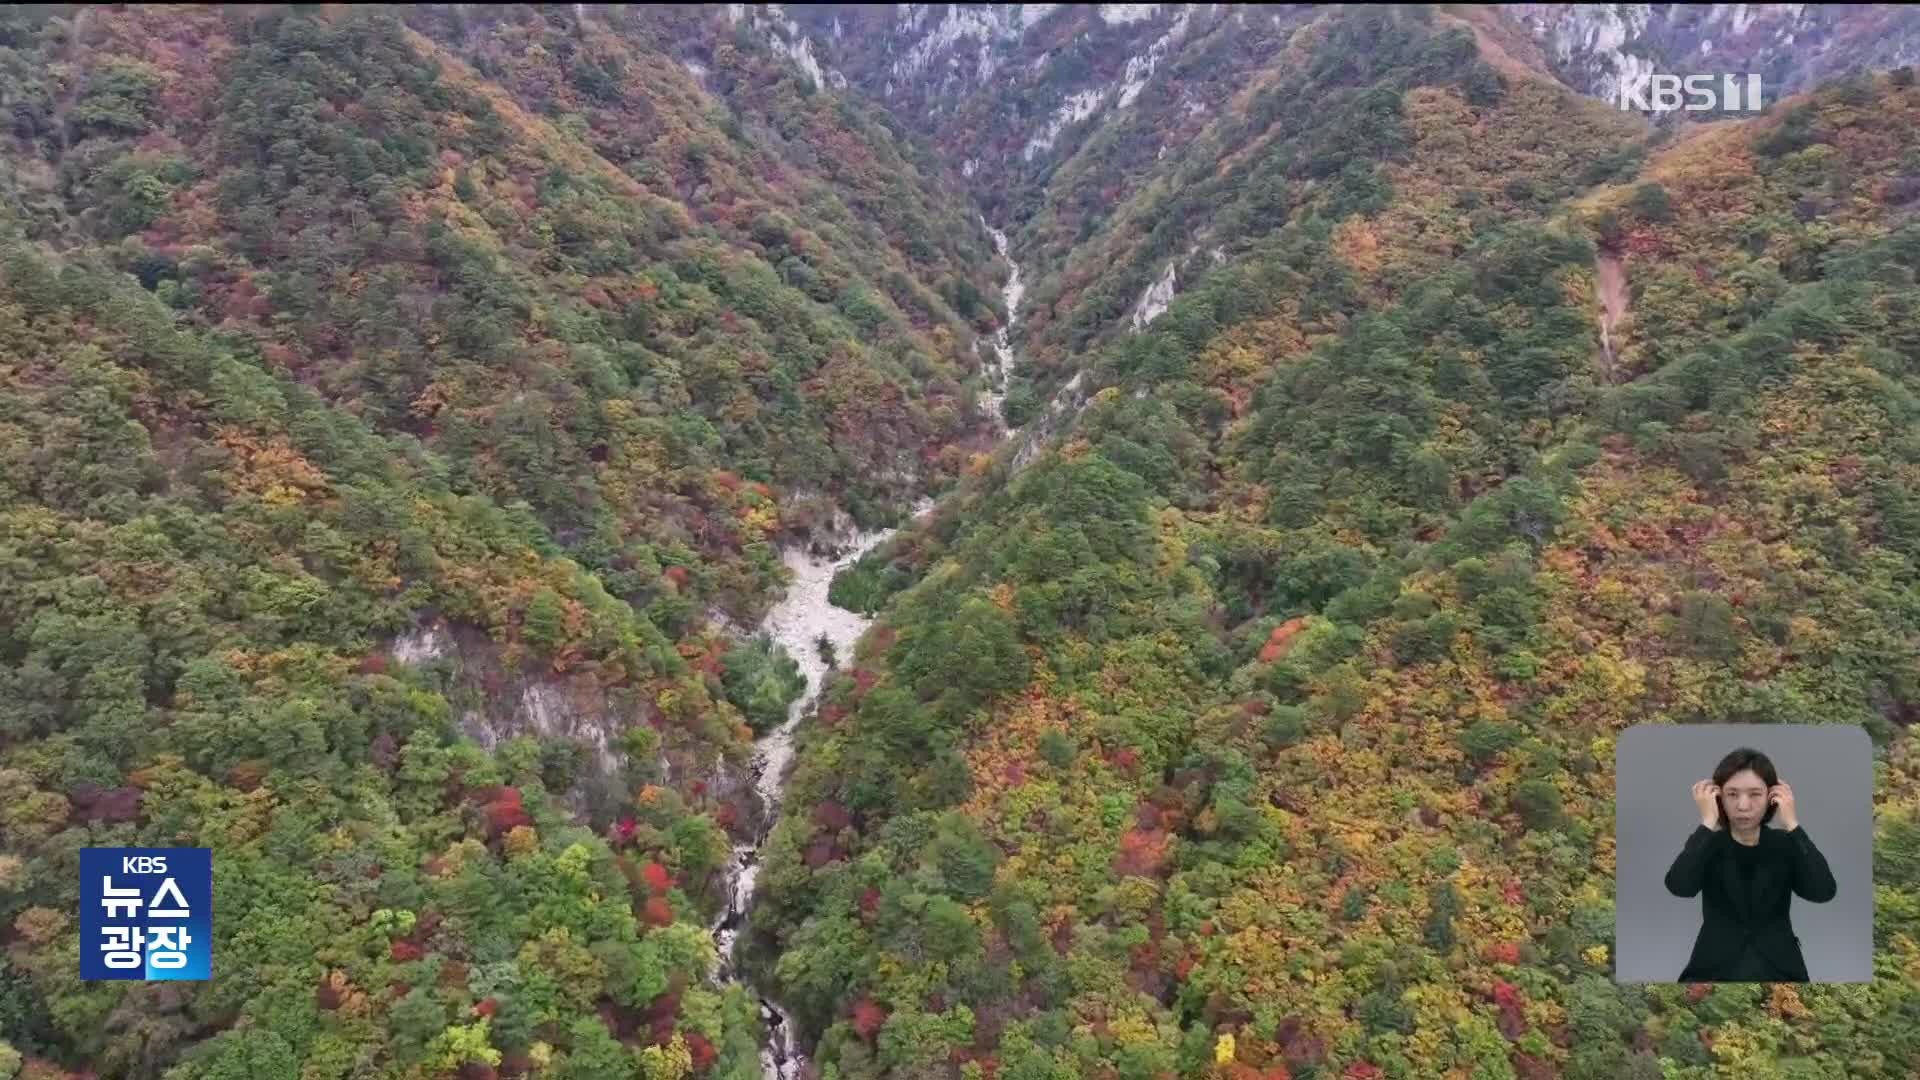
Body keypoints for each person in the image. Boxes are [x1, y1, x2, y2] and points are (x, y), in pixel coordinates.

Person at [1663, 747, 1837, 982]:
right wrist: (1707, 823)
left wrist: (1793, 825)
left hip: (1780, 967)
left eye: (1755, 794)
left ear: (1771, 797)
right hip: (1712, 967)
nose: (1743, 806)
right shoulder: (1708, 844)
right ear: (1718, 797)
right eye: (1732, 794)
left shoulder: (1785, 844)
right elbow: (1679, 887)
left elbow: (1823, 891)